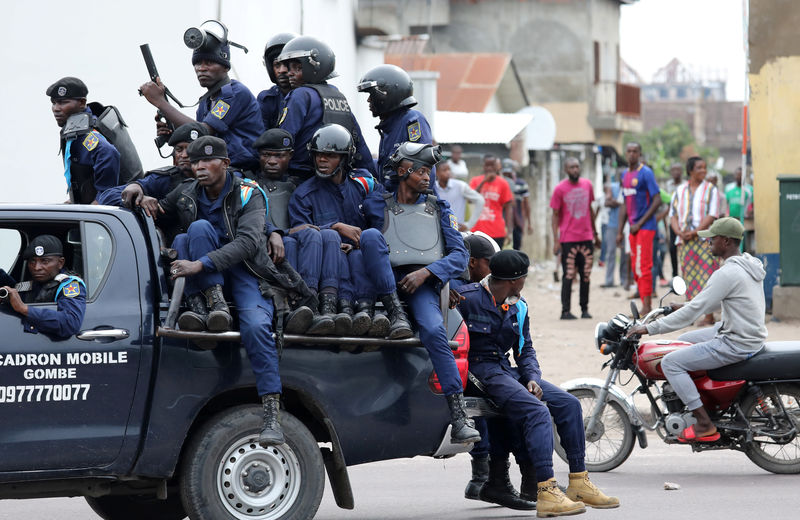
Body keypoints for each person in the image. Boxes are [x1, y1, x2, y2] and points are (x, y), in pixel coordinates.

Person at [157, 135, 313, 447]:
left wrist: (200, 265)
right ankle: (214, 307)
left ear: (226, 164)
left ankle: (272, 411)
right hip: (207, 282)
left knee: (257, 327)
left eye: (208, 161)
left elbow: (249, 243)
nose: (200, 167)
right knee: (197, 230)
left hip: (246, 271)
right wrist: (133, 192)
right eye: (196, 161)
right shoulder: (187, 192)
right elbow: (157, 207)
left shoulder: (247, 193)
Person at [457, 250, 619, 517]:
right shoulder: (466, 298)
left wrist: (532, 378)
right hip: (479, 372)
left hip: (505, 369)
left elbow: (525, 351)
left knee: (568, 404)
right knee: (537, 411)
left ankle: (579, 481)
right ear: (516, 280)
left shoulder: (519, 306)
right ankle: (547, 490)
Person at [358, 141, 480, 444]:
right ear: (402, 171)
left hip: (422, 285)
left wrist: (427, 273)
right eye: (421, 171)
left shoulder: (439, 208)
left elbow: (459, 256)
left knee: (435, 331)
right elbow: (364, 241)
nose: (428, 177)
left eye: (429, 171)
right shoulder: (376, 204)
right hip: (381, 286)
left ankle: (458, 414)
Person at [628, 217, 766, 442]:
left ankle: (704, 422)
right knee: (685, 340)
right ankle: (705, 399)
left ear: (726, 241)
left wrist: (649, 328)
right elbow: (707, 302)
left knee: (671, 362)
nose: (708, 242)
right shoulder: (747, 265)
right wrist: (684, 305)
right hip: (745, 333)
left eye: (713, 238)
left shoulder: (727, 273)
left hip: (736, 341)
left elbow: (694, 313)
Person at [451, 233, 535, 511]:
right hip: (467, 369)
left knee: (512, 406)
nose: (495, 271)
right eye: (490, 263)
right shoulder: (462, 294)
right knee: (493, 409)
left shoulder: (503, 299)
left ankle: (502, 479)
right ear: (473, 263)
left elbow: (524, 348)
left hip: (495, 368)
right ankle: (486, 477)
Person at [288, 124, 386, 337]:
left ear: (344, 159)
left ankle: (367, 312)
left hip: (362, 260)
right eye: (318, 155)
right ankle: (333, 312)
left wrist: (364, 241)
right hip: (326, 265)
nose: (322, 160)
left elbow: (382, 221)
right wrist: (333, 228)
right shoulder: (303, 195)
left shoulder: (364, 184)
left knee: (360, 257)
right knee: (337, 251)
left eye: (330, 155)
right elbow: (300, 233)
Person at [250, 128, 341, 335]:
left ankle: (315, 304)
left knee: (317, 238)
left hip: (300, 252)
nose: (272, 161)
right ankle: (301, 304)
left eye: (279, 155)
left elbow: (312, 226)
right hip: (260, 253)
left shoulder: (300, 188)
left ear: (290, 156)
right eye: (266, 155)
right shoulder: (246, 184)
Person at [139, 21, 263, 172]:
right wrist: (172, 130)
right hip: (214, 169)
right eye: (197, 63)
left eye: (209, 62)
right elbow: (195, 137)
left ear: (225, 66)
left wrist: (161, 103)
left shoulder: (234, 93)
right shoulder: (206, 101)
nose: (201, 68)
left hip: (241, 171)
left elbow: (201, 133)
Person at [276, 36, 376, 182]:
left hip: (301, 179)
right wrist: (373, 180)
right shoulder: (338, 95)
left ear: (314, 66)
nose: (289, 73)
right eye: (289, 67)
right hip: (338, 179)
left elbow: (284, 139)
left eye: (297, 67)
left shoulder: (299, 95)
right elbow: (358, 143)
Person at [358, 64, 435, 188]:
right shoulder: (388, 128)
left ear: (385, 94)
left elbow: (423, 168)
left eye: (371, 95)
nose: (369, 100)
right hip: (393, 204)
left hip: (412, 205)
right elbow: (384, 170)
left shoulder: (412, 121)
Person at [97, 122, 207, 209]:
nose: (184, 155)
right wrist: (138, 198)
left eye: (190, 149)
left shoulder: (219, 177)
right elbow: (107, 197)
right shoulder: (167, 178)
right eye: (179, 149)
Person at [47, 77, 121, 205]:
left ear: (82, 103)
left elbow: (109, 153)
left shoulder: (89, 135)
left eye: (62, 102)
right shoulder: (74, 130)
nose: (56, 108)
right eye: (54, 103)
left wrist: (98, 203)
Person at [0, 235, 86, 339]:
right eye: (32, 261)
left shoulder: (69, 285)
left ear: (60, 263)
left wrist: (23, 309)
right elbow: (15, 289)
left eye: (45, 261)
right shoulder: (34, 282)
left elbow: (70, 324)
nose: (36, 267)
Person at [670, 156, 720, 327]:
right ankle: (689, 315)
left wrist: (695, 232)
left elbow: (712, 214)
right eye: (699, 168)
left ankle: (708, 315)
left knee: (707, 276)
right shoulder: (679, 190)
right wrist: (679, 231)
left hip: (705, 239)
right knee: (689, 277)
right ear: (690, 170)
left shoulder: (711, 190)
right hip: (685, 241)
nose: (703, 171)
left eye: (704, 167)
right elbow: (673, 215)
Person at [550, 157, 600, 320]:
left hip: (586, 237)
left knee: (585, 275)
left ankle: (584, 309)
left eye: (577, 167)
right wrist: (556, 240)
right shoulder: (559, 189)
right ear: (566, 169)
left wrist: (596, 234)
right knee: (569, 275)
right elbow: (555, 215)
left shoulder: (587, 185)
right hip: (568, 238)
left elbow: (590, 210)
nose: (575, 170)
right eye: (572, 167)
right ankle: (565, 311)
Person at [616, 142, 661, 314]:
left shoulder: (646, 173)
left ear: (640, 153)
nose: (632, 154)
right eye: (629, 151)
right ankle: (644, 304)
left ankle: (647, 306)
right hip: (632, 229)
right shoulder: (625, 174)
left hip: (645, 228)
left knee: (644, 266)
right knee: (635, 267)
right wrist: (620, 230)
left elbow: (657, 199)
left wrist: (639, 223)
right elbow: (624, 205)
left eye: (635, 151)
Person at [470, 154, 514, 248]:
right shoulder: (475, 181)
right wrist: (483, 182)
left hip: (496, 232)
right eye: (487, 165)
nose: (489, 168)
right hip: (477, 231)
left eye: (492, 165)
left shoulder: (503, 184)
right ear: (483, 166)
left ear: (496, 166)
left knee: (495, 260)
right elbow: (470, 200)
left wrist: (509, 231)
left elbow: (509, 208)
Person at [257, 32, 298, 130]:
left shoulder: (309, 96)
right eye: (277, 65)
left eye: (287, 64)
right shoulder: (267, 99)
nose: (282, 70)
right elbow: (258, 135)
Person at [436, 162, 484, 231]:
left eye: (449, 170)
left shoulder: (460, 186)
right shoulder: (433, 188)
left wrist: (469, 225)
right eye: (444, 170)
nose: (448, 172)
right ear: (436, 172)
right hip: (438, 231)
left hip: (457, 231)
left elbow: (480, 200)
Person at [501, 159, 532, 251]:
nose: (507, 175)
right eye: (505, 173)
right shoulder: (500, 183)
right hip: (503, 219)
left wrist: (529, 223)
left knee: (517, 246)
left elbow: (526, 204)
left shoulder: (521, 184)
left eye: (508, 173)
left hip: (517, 219)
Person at [601, 169, 623, 287]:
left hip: (626, 226)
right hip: (612, 225)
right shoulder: (613, 187)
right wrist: (619, 202)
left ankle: (624, 280)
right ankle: (609, 281)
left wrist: (615, 202)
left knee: (626, 254)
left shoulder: (631, 188)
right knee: (610, 253)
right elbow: (607, 202)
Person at [665, 163, 683, 279]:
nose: (676, 172)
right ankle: (675, 274)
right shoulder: (668, 185)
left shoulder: (685, 185)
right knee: (672, 248)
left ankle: (685, 274)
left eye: (678, 170)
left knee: (683, 248)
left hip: (683, 221)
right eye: (673, 170)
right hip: (672, 220)